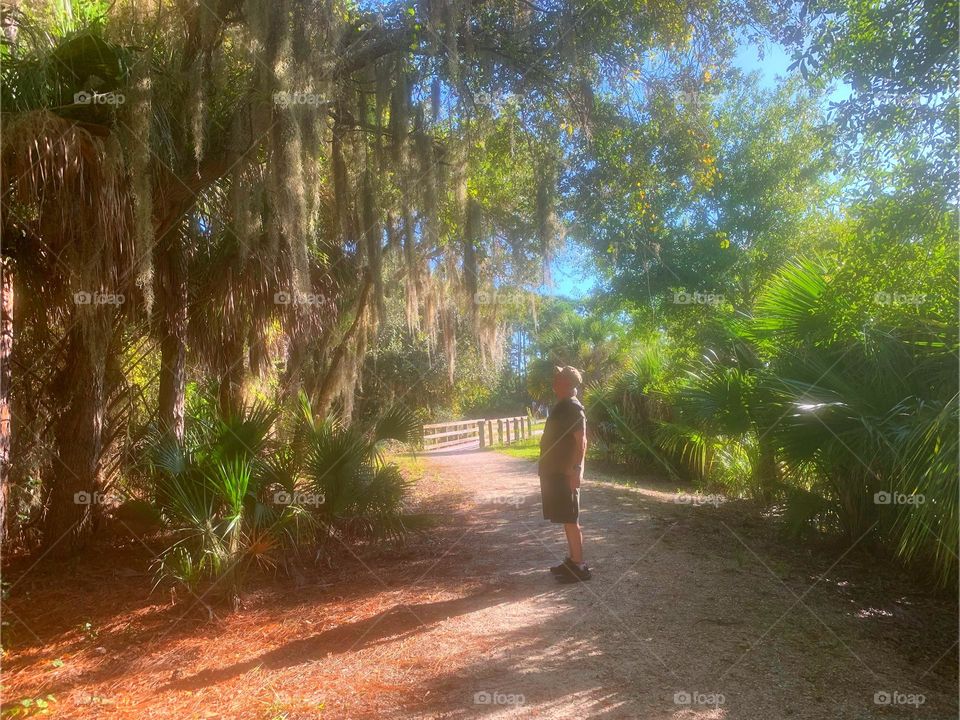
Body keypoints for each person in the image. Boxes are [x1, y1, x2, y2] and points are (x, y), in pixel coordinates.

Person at [538, 365, 591, 582]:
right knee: (565, 517)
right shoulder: (563, 406)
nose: (554, 380)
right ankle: (572, 561)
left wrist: (577, 471)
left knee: (571, 519)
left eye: (558, 377)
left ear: (567, 384)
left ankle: (579, 567)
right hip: (556, 472)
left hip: (565, 473)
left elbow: (582, 441)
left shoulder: (572, 408)